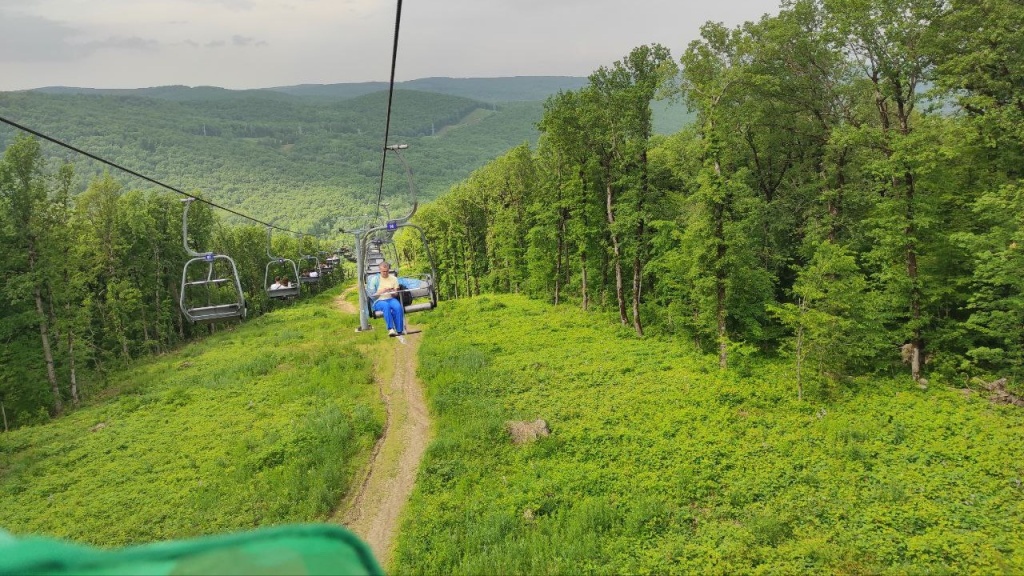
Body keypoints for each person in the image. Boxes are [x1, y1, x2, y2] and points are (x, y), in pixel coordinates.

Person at [370, 262, 404, 335]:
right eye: (383, 271)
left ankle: (399, 330)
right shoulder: (375, 279)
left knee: (398, 307)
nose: (385, 273)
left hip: (391, 298)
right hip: (379, 300)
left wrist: (392, 291)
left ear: (389, 270)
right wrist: (381, 291)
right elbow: (372, 296)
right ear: (380, 271)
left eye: (387, 271)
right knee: (386, 306)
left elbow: (396, 294)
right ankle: (390, 328)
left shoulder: (394, 279)